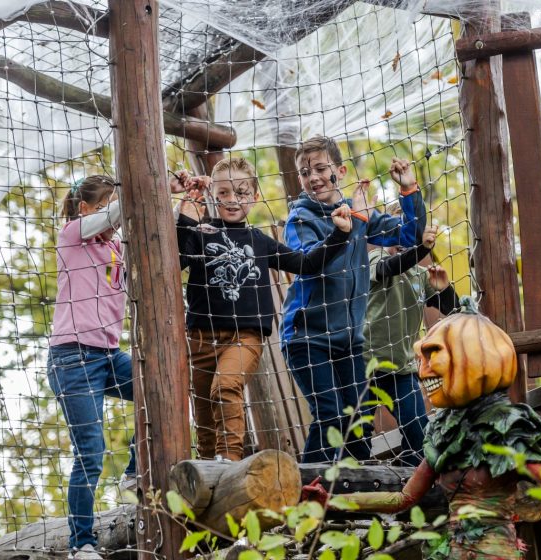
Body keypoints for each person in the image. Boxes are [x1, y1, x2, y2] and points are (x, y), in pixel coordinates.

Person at [172, 157, 352, 462]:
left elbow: (305, 264)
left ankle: (228, 461)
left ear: (254, 196)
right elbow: (176, 259)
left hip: (244, 337)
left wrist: (339, 235)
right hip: (200, 338)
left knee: (225, 386)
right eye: (225, 192)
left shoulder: (259, 241)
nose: (232, 200)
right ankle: (206, 477)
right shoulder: (200, 233)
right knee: (203, 415)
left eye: (241, 192)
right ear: (213, 194)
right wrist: (188, 207)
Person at [280, 136, 426, 463]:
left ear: (340, 171)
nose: (313, 177)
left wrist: (408, 191)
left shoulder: (358, 212)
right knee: (330, 414)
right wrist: (352, 226)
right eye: (305, 172)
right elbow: (312, 262)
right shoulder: (301, 219)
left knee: (358, 421)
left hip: (349, 339)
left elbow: (409, 236)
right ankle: (312, 493)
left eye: (320, 168)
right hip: (308, 336)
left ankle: (358, 490)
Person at [47, 175, 135, 560]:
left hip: (109, 356)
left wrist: (182, 200)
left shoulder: (116, 247)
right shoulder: (71, 235)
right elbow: (118, 212)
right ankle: (80, 543)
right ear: (84, 210)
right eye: (103, 206)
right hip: (72, 358)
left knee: (161, 388)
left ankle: (136, 468)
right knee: (91, 451)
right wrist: (149, 187)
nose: (110, 215)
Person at [364, 211, 460, 466]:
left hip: (401, 368)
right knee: (358, 435)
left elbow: (454, 309)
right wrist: (419, 249)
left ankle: (409, 480)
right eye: (399, 230)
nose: (405, 236)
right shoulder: (376, 259)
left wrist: (444, 289)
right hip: (365, 366)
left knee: (418, 433)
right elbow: (390, 267)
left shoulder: (420, 275)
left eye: (412, 231)